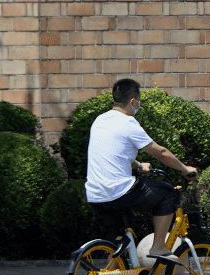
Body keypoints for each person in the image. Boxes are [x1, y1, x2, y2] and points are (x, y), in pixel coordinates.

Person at [85, 78, 198, 263]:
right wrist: (185, 169)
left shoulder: (100, 120)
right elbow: (160, 153)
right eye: (138, 101)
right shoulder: (128, 123)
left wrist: (138, 166)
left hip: (96, 194)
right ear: (132, 101)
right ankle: (159, 247)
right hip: (118, 191)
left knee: (122, 236)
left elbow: (116, 155)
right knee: (167, 193)